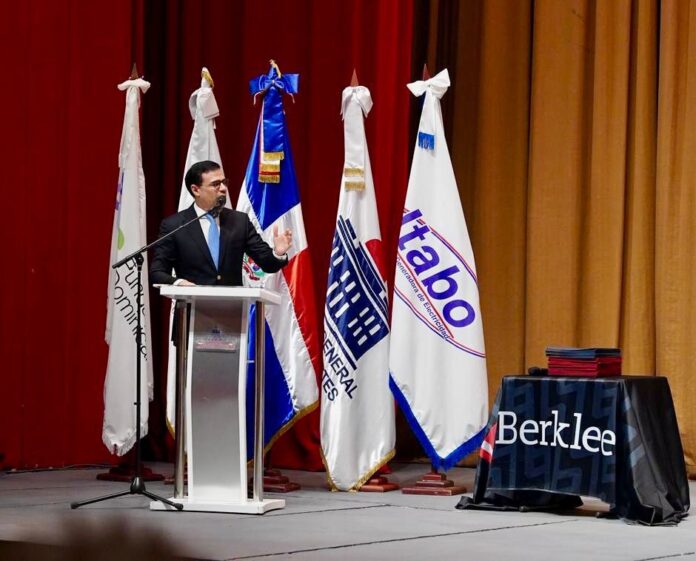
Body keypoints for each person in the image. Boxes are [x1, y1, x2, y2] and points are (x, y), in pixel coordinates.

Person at [150, 160, 291, 286]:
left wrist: (278, 253)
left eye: (224, 182)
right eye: (216, 184)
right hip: (191, 305)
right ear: (195, 190)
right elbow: (157, 272)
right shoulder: (174, 225)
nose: (223, 188)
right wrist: (179, 283)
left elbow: (268, 264)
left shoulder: (239, 221)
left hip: (232, 305)